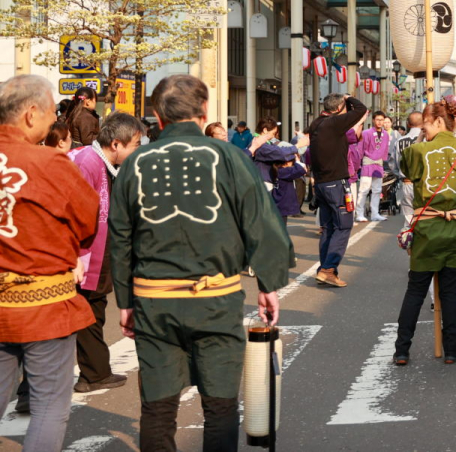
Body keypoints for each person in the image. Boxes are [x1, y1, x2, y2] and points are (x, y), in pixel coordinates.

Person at [108, 74, 291, 452]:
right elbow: (261, 224)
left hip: (153, 300)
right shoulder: (228, 157)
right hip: (215, 298)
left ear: (157, 117)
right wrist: (268, 285)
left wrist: (124, 301)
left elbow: (120, 236)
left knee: (158, 405)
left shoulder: (136, 162)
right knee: (220, 404)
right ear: (204, 110)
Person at [0, 75, 100, 452]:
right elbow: (87, 221)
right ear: (29, 114)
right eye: (49, 112)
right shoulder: (49, 163)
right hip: (42, 302)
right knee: (48, 406)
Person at [393, 101, 456, 366]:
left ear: (438, 122)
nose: (425, 130)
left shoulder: (419, 149)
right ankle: (451, 349)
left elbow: (406, 172)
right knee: (450, 292)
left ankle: (402, 350)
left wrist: (422, 140)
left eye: (426, 125)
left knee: (416, 291)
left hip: (429, 229)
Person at [67, 111, 143, 395]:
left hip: (95, 250)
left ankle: (94, 372)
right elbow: (75, 211)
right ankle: (92, 374)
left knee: (92, 310)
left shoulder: (98, 161)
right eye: (135, 143)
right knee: (88, 311)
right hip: (86, 253)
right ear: (116, 144)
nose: (137, 149)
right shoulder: (89, 162)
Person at [306, 92, 369, 287]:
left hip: (322, 184)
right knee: (343, 226)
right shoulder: (334, 123)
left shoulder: (317, 123)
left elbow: (352, 132)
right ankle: (327, 269)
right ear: (339, 108)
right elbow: (361, 109)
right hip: (336, 183)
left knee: (328, 228)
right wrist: (349, 98)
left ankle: (325, 269)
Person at [355, 111, 391, 222]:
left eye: (382, 120)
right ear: (373, 120)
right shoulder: (366, 133)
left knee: (377, 190)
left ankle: (375, 213)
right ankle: (359, 213)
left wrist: (384, 165)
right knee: (364, 189)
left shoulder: (386, 135)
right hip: (368, 162)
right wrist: (358, 164)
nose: (380, 122)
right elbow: (360, 148)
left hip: (379, 164)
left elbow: (385, 151)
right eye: (378, 119)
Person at [391, 111, 424, 228]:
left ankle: (409, 242)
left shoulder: (400, 141)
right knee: (425, 218)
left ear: (408, 124)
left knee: (409, 220)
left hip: (406, 183)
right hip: (424, 184)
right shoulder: (428, 140)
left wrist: (399, 175)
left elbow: (393, 164)